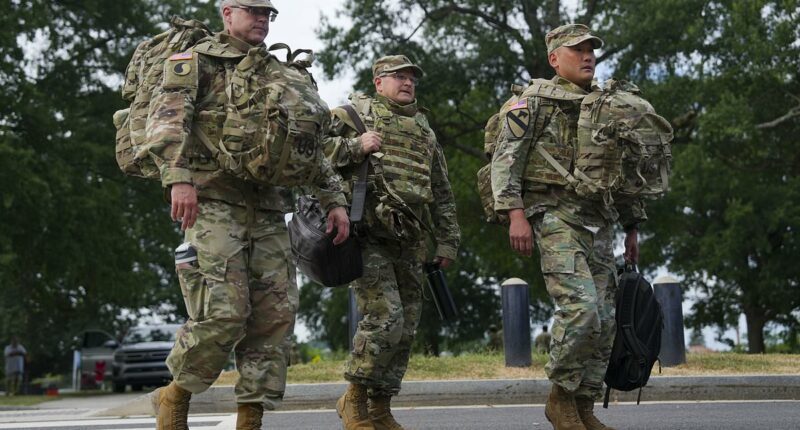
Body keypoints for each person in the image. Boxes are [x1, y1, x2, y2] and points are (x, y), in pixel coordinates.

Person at [143, 1, 350, 429]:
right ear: (227, 13)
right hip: (214, 201)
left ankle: (250, 419)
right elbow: (167, 118)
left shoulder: (280, 71)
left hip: (271, 206)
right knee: (224, 311)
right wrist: (178, 176)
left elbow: (307, 146)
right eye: (253, 10)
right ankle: (175, 395)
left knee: (275, 317)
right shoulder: (195, 61)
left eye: (268, 13)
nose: (262, 18)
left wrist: (333, 199)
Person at [491, 23, 647, 430]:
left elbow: (624, 171)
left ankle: (583, 406)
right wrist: (516, 215)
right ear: (554, 58)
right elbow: (507, 159)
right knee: (581, 309)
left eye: (591, 49)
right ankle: (560, 399)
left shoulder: (605, 106)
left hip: (599, 221)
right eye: (577, 50)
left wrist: (632, 226)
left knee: (606, 319)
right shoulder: (533, 102)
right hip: (555, 215)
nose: (588, 55)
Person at [325, 55, 461, 430]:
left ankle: (381, 408)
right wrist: (355, 147)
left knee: (407, 326)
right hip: (367, 235)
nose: (407, 83)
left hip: (411, 239)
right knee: (386, 317)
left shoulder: (424, 129)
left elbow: (441, 190)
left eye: (412, 78)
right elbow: (310, 155)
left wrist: (448, 241)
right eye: (398, 76)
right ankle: (353, 400)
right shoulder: (352, 115)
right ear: (378, 82)